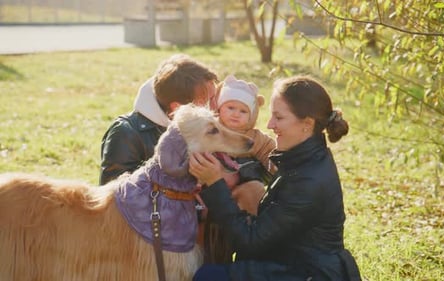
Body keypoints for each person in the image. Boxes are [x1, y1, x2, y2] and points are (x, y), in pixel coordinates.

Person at [189, 75, 361, 281]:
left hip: (309, 273)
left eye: (278, 118)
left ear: (307, 124)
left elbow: (250, 241)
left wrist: (215, 183)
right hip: (291, 261)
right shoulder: (302, 159)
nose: (270, 125)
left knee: (208, 277)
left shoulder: (309, 181)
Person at [99, 54, 218, 185]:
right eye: (207, 102)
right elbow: (115, 196)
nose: (216, 106)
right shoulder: (126, 134)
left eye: (216, 96)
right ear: (178, 108)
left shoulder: (216, 122)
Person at [215, 74, 276, 215]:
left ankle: (251, 222)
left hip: (242, 186)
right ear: (220, 107)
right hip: (211, 184)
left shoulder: (255, 137)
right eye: (230, 107)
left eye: (243, 111)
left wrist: (274, 166)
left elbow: (269, 151)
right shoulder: (211, 128)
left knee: (256, 189)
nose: (236, 114)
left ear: (252, 115)